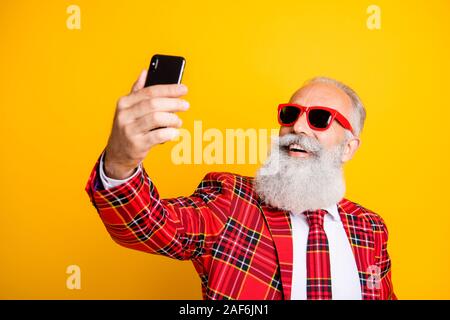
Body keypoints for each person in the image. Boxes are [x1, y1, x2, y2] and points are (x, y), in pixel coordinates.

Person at [85, 70, 396, 300]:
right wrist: (121, 161)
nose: (297, 127)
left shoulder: (369, 228)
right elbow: (149, 226)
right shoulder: (230, 200)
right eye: (290, 114)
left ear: (348, 147)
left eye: (319, 118)